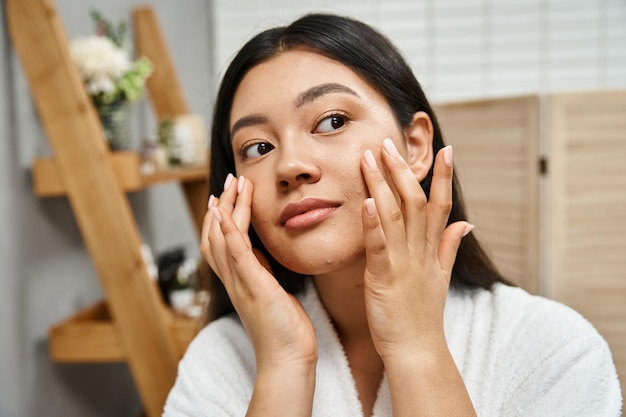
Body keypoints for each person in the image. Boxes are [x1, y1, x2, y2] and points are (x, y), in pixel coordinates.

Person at [163, 13, 622, 417]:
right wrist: (284, 365)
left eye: (333, 121)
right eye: (258, 147)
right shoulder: (219, 359)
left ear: (417, 146)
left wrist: (416, 349)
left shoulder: (554, 348)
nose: (289, 166)